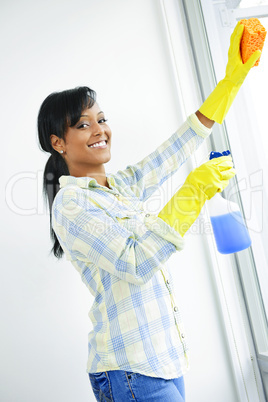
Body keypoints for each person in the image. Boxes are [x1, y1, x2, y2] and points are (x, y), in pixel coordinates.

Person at [37, 22, 260, 401]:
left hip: (164, 362)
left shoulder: (121, 187)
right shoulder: (71, 205)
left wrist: (230, 83)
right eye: (83, 124)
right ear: (58, 142)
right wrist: (194, 192)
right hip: (129, 371)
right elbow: (136, 260)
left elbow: (176, 148)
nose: (99, 130)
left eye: (102, 119)